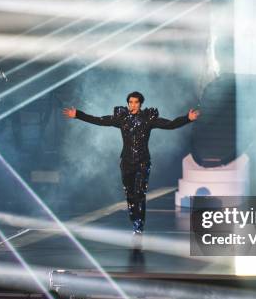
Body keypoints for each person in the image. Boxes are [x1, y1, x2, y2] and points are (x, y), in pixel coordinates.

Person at [63, 91, 199, 240]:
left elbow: (170, 125)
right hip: (126, 162)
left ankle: (139, 226)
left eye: (136, 102)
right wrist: (78, 114)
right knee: (130, 195)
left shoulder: (148, 119)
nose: (133, 105)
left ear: (140, 104)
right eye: (131, 102)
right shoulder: (122, 119)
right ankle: (135, 219)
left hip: (143, 162)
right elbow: (99, 120)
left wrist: (188, 118)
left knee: (140, 194)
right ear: (128, 103)